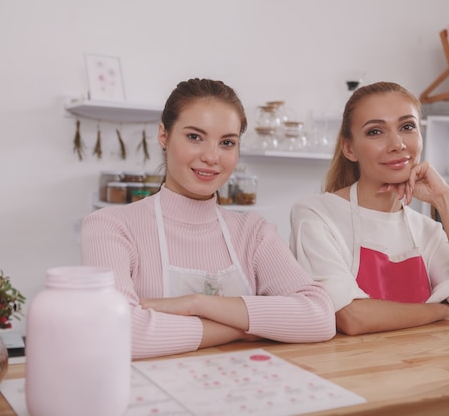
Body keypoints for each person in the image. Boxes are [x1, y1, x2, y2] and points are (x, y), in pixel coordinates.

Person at [81, 78, 335, 358]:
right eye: (194, 137)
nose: (212, 157)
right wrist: (245, 327)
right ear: (164, 136)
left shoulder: (254, 233)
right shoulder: (111, 226)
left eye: (227, 142)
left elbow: (320, 316)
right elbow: (117, 333)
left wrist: (195, 304)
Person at [290, 81, 449, 336]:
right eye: (375, 132)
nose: (397, 143)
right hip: (348, 372)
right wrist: (440, 311)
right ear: (349, 148)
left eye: (407, 127)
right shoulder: (316, 215)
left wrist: (447, 200)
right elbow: (350, 316)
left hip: (425, 369)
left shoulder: (428, 231)